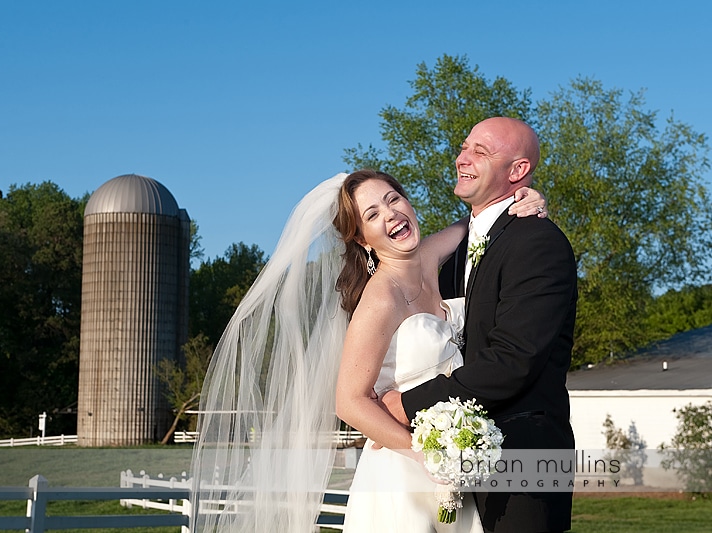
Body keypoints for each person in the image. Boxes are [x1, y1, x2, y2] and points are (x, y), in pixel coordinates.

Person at [190, 168, 546, 533]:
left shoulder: (429, 256)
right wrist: (425, 453)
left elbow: (477, 221)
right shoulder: (381, 297)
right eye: (372, 214)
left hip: (451, 472)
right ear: (362, 239)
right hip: (401, 473)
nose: (390, 214)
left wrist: (526, 201)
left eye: (393, 200)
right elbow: (348, 402)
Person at [382, 117, 578, 533]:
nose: (461, 158)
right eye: (464, 146)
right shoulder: (451, 252)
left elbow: (513, 360)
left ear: (518, 172)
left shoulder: (537, 243)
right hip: (448, 462)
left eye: (480, 152)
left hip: (523, 462)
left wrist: (408, 403)